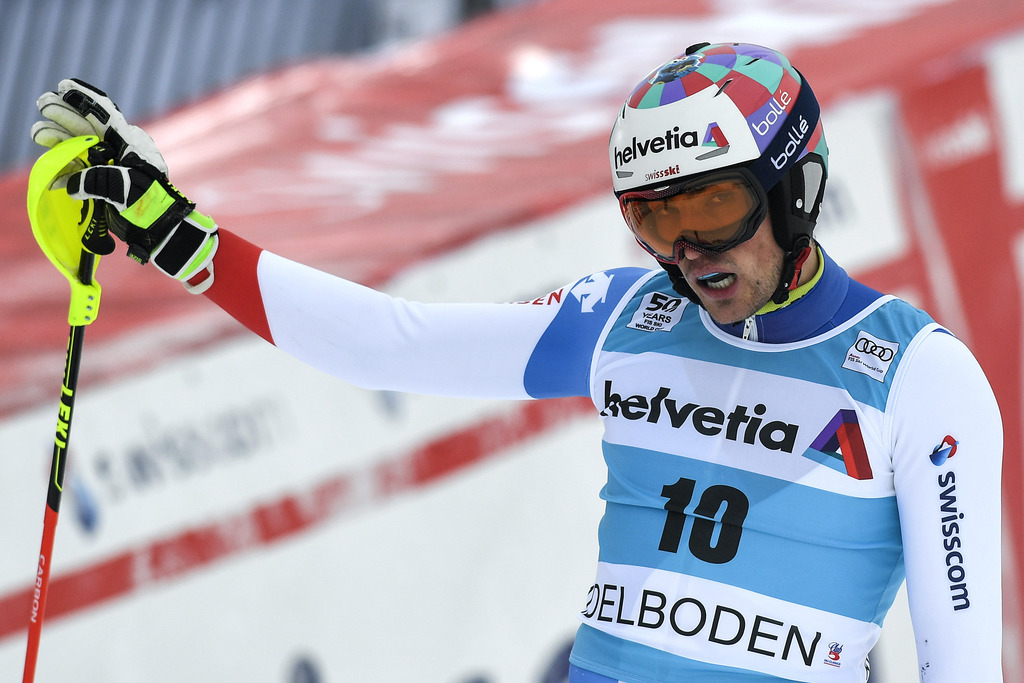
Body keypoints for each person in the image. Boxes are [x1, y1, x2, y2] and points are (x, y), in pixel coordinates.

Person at [30, 42, 1003, 682]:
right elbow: (387, 339)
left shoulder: (917, 376)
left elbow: (957, 665)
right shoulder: (627, 317)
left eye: (713, 209)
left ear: (798, 188)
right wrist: (176, 232)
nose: (690, 252)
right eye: (655, 218)